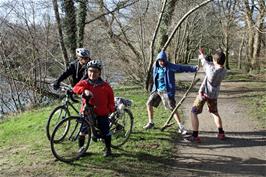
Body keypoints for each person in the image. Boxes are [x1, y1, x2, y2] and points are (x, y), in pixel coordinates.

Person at [144, 51, 198, 135]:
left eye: (162, 60)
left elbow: (181, 68)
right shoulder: (156, 66)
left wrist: (193, 68)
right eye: (159, 60)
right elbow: (154, 78)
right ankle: (151, 123)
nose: (161, 62)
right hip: (157, 90)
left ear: (165, 60)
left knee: (173, 108)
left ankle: (181, 127)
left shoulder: (170, 67)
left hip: (167, 91)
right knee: (148, 103)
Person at [73, 60, 115, 157]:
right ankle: (81, 149)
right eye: (90, 71)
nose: (92, 74)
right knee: (82, 131)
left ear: (99, 72)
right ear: (87, 71)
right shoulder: (85, 83)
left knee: (105, 131)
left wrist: (110, 109)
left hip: (102, 112)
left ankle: (108, 149)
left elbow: (111, 99)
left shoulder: (105, 86)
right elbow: (75, 88)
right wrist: (84, 90)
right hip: (87, 112)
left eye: (95, 71)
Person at [186, 48, 227, 143]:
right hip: (214, 96)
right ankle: (221, 133)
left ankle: (195, 136)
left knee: (193, 112)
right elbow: (213, 65)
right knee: (214, 113)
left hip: (203, 94)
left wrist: (201, 55)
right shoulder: (224, 71)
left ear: (215, 60)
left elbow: (204, 62)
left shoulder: (211, 69)